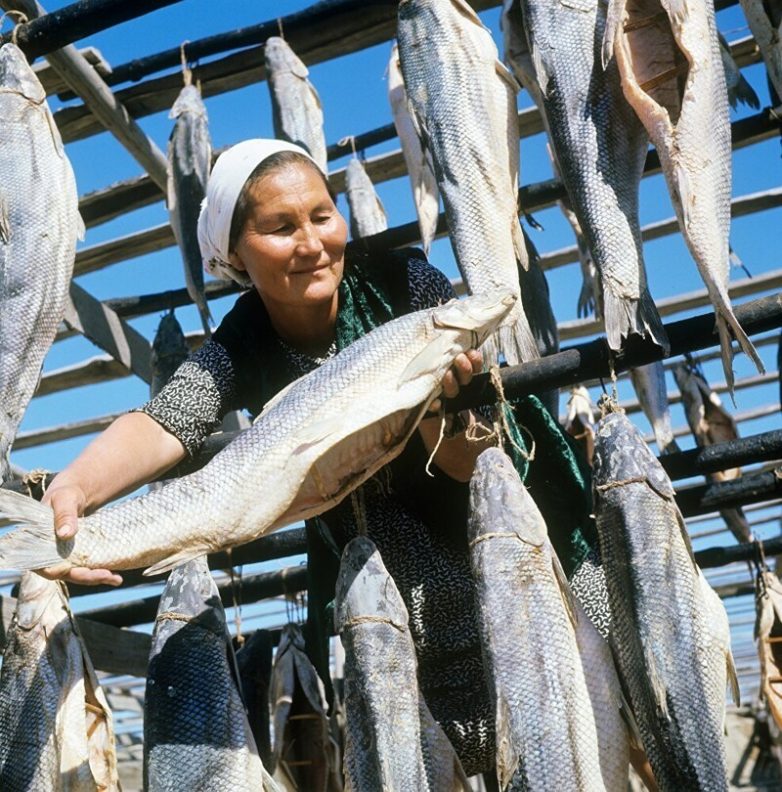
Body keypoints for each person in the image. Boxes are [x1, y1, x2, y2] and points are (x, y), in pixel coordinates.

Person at [43, 139, 602, 777]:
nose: (311, 243)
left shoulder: (403, 283)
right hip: (390, 588)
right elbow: (166, 421)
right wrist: (76, 490)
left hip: (512, 552)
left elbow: (472, 467)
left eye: (321, 216)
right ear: (235, 256)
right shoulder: (243, 339)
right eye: (280, 228)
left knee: (578, 737)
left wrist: (443, 412)